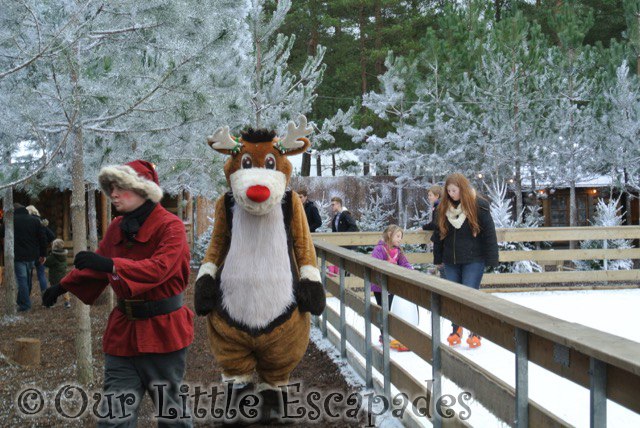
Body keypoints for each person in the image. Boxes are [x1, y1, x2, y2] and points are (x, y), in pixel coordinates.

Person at [42, 160, 194, 427]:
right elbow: (96, 267)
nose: (113, 194)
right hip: (123, 335)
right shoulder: (117, 228)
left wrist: (112, 265)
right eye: (110, 188)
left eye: (120, 188)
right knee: (114, 418)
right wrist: (61, 286)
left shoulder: (171, 226)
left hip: (163, 334)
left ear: (143, 190)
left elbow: (159, 268)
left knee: (173, 417)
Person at [431, 173, 498, 348]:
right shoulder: (443, 208)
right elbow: (438, 235)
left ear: (462, 188)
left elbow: (489, 234)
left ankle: (474, 331)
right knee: (454, 296)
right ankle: (456, 329)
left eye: (454, 190)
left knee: (470, 295)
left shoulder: (478, 206)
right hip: (451, 260)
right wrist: (438, 257)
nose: (451, 194)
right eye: (449, 191)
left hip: (474, 260)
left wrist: (492, 259)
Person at [371, 224, 414, 352]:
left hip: (393, 286)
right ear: (390, 235)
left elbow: (405, 263)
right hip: (380, 286)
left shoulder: (398, 251)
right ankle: (384, 335)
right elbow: (375, 264)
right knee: (384, 309)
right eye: (398, 236)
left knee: (392, 310)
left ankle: (392, 335)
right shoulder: (379, 249)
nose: (400, 239)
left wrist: (410, 270)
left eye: (401, 237)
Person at [0, 203, 47, 312]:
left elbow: (2, 233)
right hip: (32, 255)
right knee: (27, 278)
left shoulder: (11, 221)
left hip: (17, 255)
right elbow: (42, 238)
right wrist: (43, 254)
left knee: (22, 279)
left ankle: (25, 304)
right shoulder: (35, 221)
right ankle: (23, 301)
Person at [26, 205, 55, 294]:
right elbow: (51, 236)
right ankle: (45, 296)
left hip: (28, 252)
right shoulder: (40, 222)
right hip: (40, 252)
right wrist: (45, 244)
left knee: (28, 275)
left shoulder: (26, 223)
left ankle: (27, 295)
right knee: (41, 274)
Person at [44, 239, 71, 308]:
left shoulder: (53, 256)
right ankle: (67, 302)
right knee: (65, 290)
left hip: (54, 276)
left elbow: (47, 263)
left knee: (53, 291)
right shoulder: (64, 255)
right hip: (63, 275)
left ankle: (52, 302)